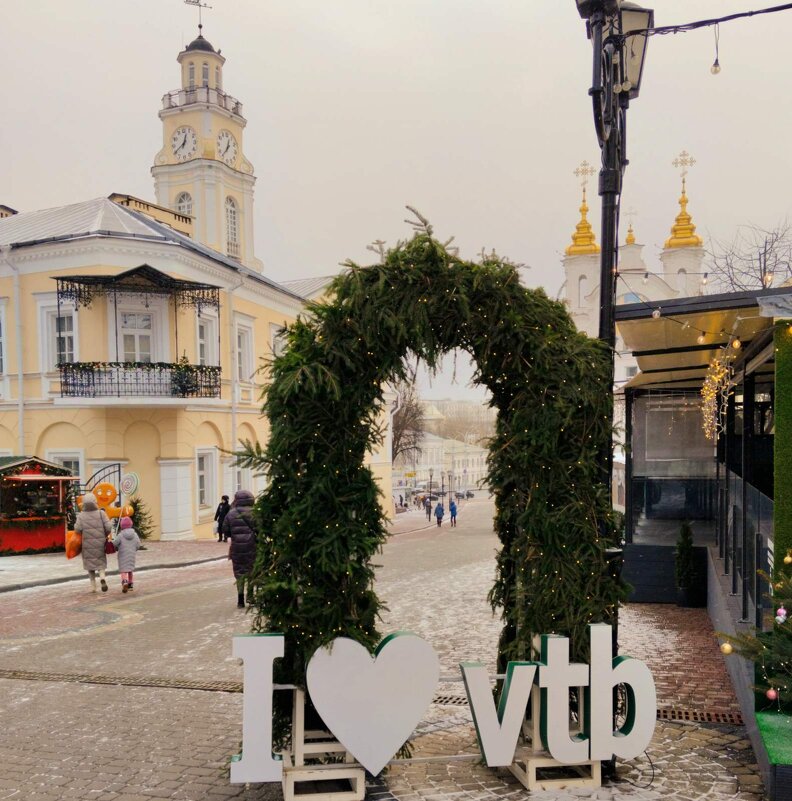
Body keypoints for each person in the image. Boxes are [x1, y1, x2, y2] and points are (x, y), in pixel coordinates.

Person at [223, 489, 258, 608]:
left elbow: (225, 531)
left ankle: (240, 600)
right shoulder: (255, 513)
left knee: (239, 573)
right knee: (252, 572)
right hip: (252, 547)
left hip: (236, 548)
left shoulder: (231, 514)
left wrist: (234, 535)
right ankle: (251, 596)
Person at [75, 491, 112, 593]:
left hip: (87, 544)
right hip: (100, 543)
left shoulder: (81, 516)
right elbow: (108, 526)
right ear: (95, 502)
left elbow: (77, 529)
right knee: (100, 563)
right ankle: (102, 577)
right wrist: (105, 534)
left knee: (90, 566)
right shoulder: (101, 513)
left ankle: (93, 587)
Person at [113, 516, 141, 593]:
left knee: (123, 570)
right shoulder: (135, 534)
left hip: (122, 555)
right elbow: (138, 544)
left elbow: (115, 543)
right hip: (132, 555)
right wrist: (134, 549)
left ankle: (124, 582)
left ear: (122, 526)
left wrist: (114, 545)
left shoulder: (121, 535)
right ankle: (130, 584)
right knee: (130, 570)